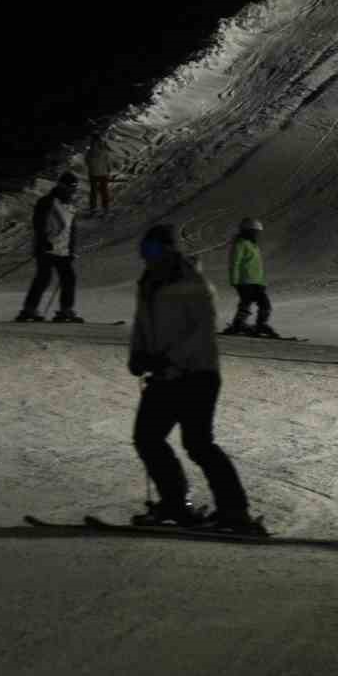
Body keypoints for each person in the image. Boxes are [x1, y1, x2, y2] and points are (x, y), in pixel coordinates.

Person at [127, 224, 262, 532]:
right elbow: (142, 325)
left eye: (154, 250)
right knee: (148, 438)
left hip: (197, 375)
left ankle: (234, 510)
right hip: (164, 375)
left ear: (170, 250)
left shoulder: (193, 283)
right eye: (144, 251)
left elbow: (200, 333)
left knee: (198, 443)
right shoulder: (148, 283)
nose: (148, 257)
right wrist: (138, 355)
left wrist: (169, 361)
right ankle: (175, 503)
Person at [17, 171, 83, 323]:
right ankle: (29, 309)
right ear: (61, 186)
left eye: (74, 188)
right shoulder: (47, 202)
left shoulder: (71, 206)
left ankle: (65, 310)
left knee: (68, 278)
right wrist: (42, 241)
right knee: (43, 278)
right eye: (70, 187)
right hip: (46, 248)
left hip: (63, 250)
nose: (72, 191)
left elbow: (71, 229)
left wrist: (72, 249)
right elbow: (38, 224)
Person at [223, 217, 276, 337]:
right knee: (246, 303)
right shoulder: (240, 244)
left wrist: (262, 283)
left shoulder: (254, 245)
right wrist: (235, 281)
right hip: (244, 281)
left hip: (257, 282)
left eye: (258, 232)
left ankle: (260, 325)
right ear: (247, 231)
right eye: (255, 232)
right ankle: (239, 324)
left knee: (265, 305)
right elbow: (234, 262)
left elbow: (257, 266)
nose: (257, 234)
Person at [85, 133, 115, 214]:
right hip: (103, 173)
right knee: (104, 191)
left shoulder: (89, 151)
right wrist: (109, 170)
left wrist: (91, 167)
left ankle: (93, 208)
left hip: (93, 173)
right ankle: (106, 208)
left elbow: (87, 161)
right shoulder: (103, 149)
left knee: (93, 192)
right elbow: (107, 161)